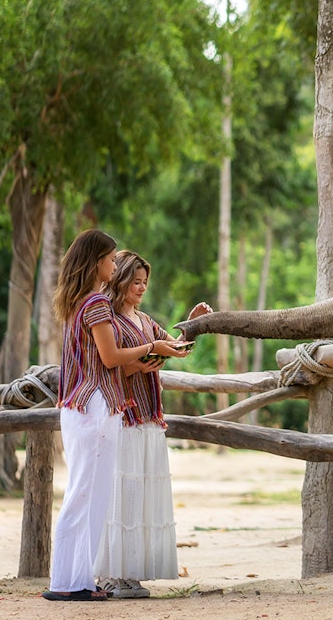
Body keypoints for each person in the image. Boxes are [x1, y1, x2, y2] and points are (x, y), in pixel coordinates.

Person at [43, 229, 191, 602]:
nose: (114, 264)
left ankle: (74, 580)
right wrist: (151, 348)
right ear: (96, 262)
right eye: (110, 259)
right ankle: (68, 582)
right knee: (86, 495)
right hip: (94, 406)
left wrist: (155, 347)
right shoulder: (96, 303)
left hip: (87, 406)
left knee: (86, 495)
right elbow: (110, 358)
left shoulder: (81, 302)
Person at [94, 250, 210, 599]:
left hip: (149, 417)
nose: (141, 288)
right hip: (123, 414)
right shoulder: (107, 320)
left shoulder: (145, 321)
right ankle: (112, 573)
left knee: (142, 494)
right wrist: (140, 363)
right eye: (136, 281)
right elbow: (107, 365)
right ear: (121, 279)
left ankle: (132, 572)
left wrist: (192, 323)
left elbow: (174, 347)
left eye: (145, 282)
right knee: (121, 493)